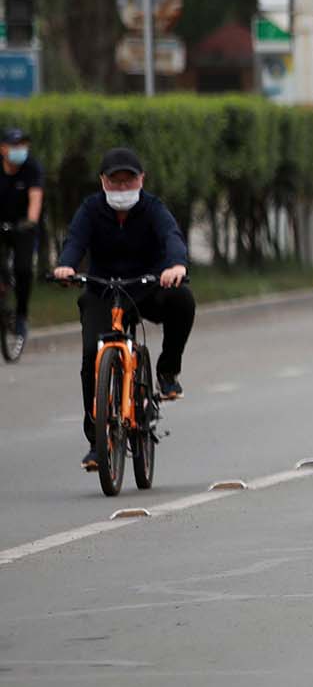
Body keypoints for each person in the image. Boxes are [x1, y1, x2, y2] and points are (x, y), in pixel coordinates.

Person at [50, 147, 196, 469]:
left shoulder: (153, 208)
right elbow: (75, 241)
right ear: (102, 182)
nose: (121, 189)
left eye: (128, 181)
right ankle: (96, 441)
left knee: (183, 301)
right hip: (102, 290)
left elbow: (172, 237)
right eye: (114, 183)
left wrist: (175, 266)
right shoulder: (90, 210)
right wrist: (66, 266)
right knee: (92, 355)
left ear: (141, 180)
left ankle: (167, 371)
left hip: (145, 287)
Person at [0, 125, 43, 339]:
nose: (20, 149)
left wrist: (30, 222)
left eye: (22, 145)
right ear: (3, 149)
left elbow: (35, 198)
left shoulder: (32, 168)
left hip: (23, 225)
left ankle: (21, 315)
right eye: (14, 145)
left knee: (24, 269)